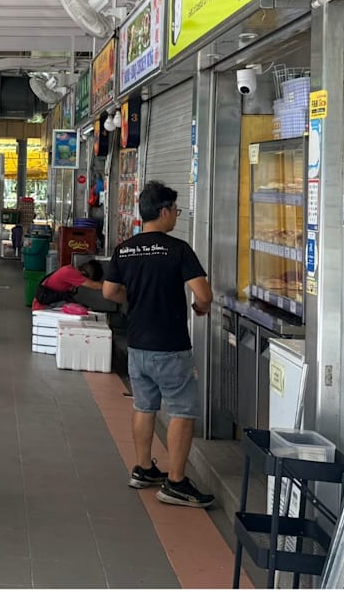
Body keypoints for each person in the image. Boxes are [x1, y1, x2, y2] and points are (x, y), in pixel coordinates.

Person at [103, 181, 215, 508]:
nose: (177, 216)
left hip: (137, 344)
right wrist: (200, 308)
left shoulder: (125, 249)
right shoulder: (177, 249)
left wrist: (135, 300)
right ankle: (176, 482)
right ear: (164, 211)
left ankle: (143, 468)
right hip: (170, 346)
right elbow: (203, 294)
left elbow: (109, 292)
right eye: (176, 210)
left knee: (144, 406)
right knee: (182, 411)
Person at [31, 260, 105, 310]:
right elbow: (95, 285)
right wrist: (111, 287)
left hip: (48, 303)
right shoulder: (71, 273)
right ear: (84, 274)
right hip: (43, 307)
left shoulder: (69, 269)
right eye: (89, 279)